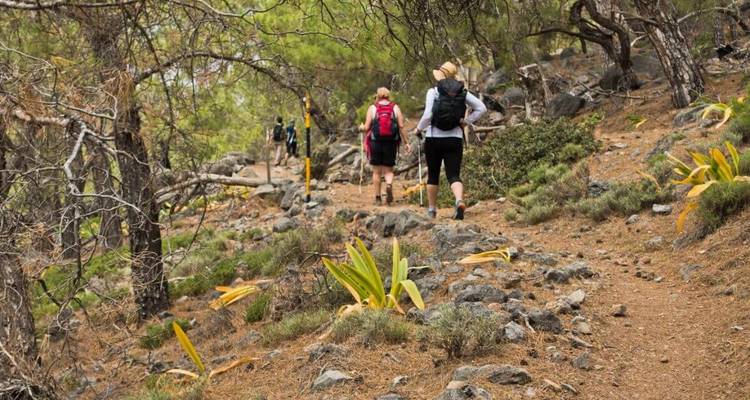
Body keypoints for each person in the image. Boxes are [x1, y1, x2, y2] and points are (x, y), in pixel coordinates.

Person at [414, 61, 487, 220]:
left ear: (440, 76)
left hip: (433, 138)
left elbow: (427, 115)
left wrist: (418, 129)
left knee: (433, 175)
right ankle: (459, 200)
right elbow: (482, 108)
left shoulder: (433, 91)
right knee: (453, 174)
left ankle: (432, 210)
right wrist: (465, 121)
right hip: (455, 138)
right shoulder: (463, 92)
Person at [362, 87, 411, 205]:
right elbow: (401, 126)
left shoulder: (372, 108)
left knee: (377, 171)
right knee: (388, 170)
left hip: (375, 142)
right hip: (391, 142)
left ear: (377, 96)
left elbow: (367, 127)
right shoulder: (395, 107)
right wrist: (406, 142)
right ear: (388, 96)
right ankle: (388, 185)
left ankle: (378, 198)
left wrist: (361, 127)